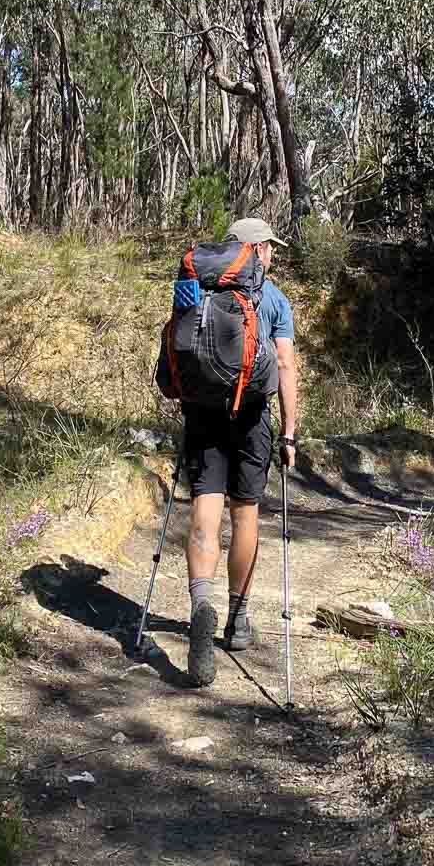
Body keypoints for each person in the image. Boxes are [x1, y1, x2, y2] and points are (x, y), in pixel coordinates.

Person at [156, 216, 299, 687]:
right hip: (253, 412)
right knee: (245, 514)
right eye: (270, 246)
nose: (273, 253)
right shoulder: (273, 298)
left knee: (205, 507)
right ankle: (237, 618)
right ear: (256, 249)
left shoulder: (196, 286)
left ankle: (201, 604)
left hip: (202, 410)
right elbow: (282, 363)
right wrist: (290, 433)